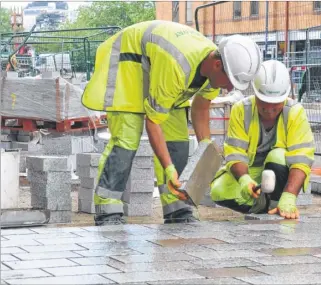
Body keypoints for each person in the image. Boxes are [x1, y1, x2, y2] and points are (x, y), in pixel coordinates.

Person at [82, 20, 262, 225]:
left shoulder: (214, 67)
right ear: (217, 65)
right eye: (230, 81)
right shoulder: (177, 66)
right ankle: (108, 209)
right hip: (128, 61)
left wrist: (205, 152)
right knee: (126, 140)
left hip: (157, 67)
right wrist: (168, 168)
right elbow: (153, 122)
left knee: (178, 142)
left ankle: (177, 208)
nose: (229, 89)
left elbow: (201, 108)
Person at [210, 60, 315, 219]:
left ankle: (276, 205)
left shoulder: (295, 113)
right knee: (219, 191)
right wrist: (245, 180)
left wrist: (289, 196)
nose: (269, 111)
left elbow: (301, 159)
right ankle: (260, 206)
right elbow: (235, 154)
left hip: (279, 170)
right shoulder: (241, 110)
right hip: (251, 170)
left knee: (278, 156)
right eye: (264, 104)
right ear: (255, 94)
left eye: (275, 105)